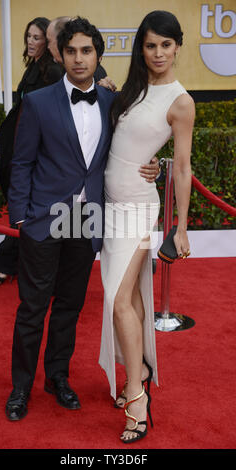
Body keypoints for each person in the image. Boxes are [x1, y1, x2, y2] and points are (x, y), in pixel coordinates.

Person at [4, 16, 160, 422]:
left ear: (98, 56)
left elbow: (132, 149)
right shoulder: (38, 102)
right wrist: (20, 216)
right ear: (61, 54)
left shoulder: (114, 103)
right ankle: (20, 387)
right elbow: (20, 161)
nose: (78, 58)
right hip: (43, 218)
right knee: (32, 307)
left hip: (88, 218)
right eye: (71, 50)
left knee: (70, 306)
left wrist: (154, 167)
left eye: (86, 51)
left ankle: (57, 377)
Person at [99, 10, 195, 444]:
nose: (158, 53)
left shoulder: (181, 101)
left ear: (178, 47)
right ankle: (138, 367)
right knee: (132, 298)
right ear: (142, 47)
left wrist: (181, 227)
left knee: (118, 298)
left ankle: (137, 397)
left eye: (166, 45)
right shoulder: (131, 88)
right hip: (110, 205)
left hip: (139, 208)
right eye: (151, 44)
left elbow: (182, 167)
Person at [0, 17, 62, 285]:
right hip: (18, 152)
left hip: (33, 157)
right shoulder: (34, 69)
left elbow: (46, 121)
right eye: (29, 36)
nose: (31, 41)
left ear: (50, 42)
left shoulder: (52, 71)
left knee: (27, 213)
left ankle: (6, 265)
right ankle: (17, 266)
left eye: (38, 37)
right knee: (25, 213)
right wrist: (7, 151)